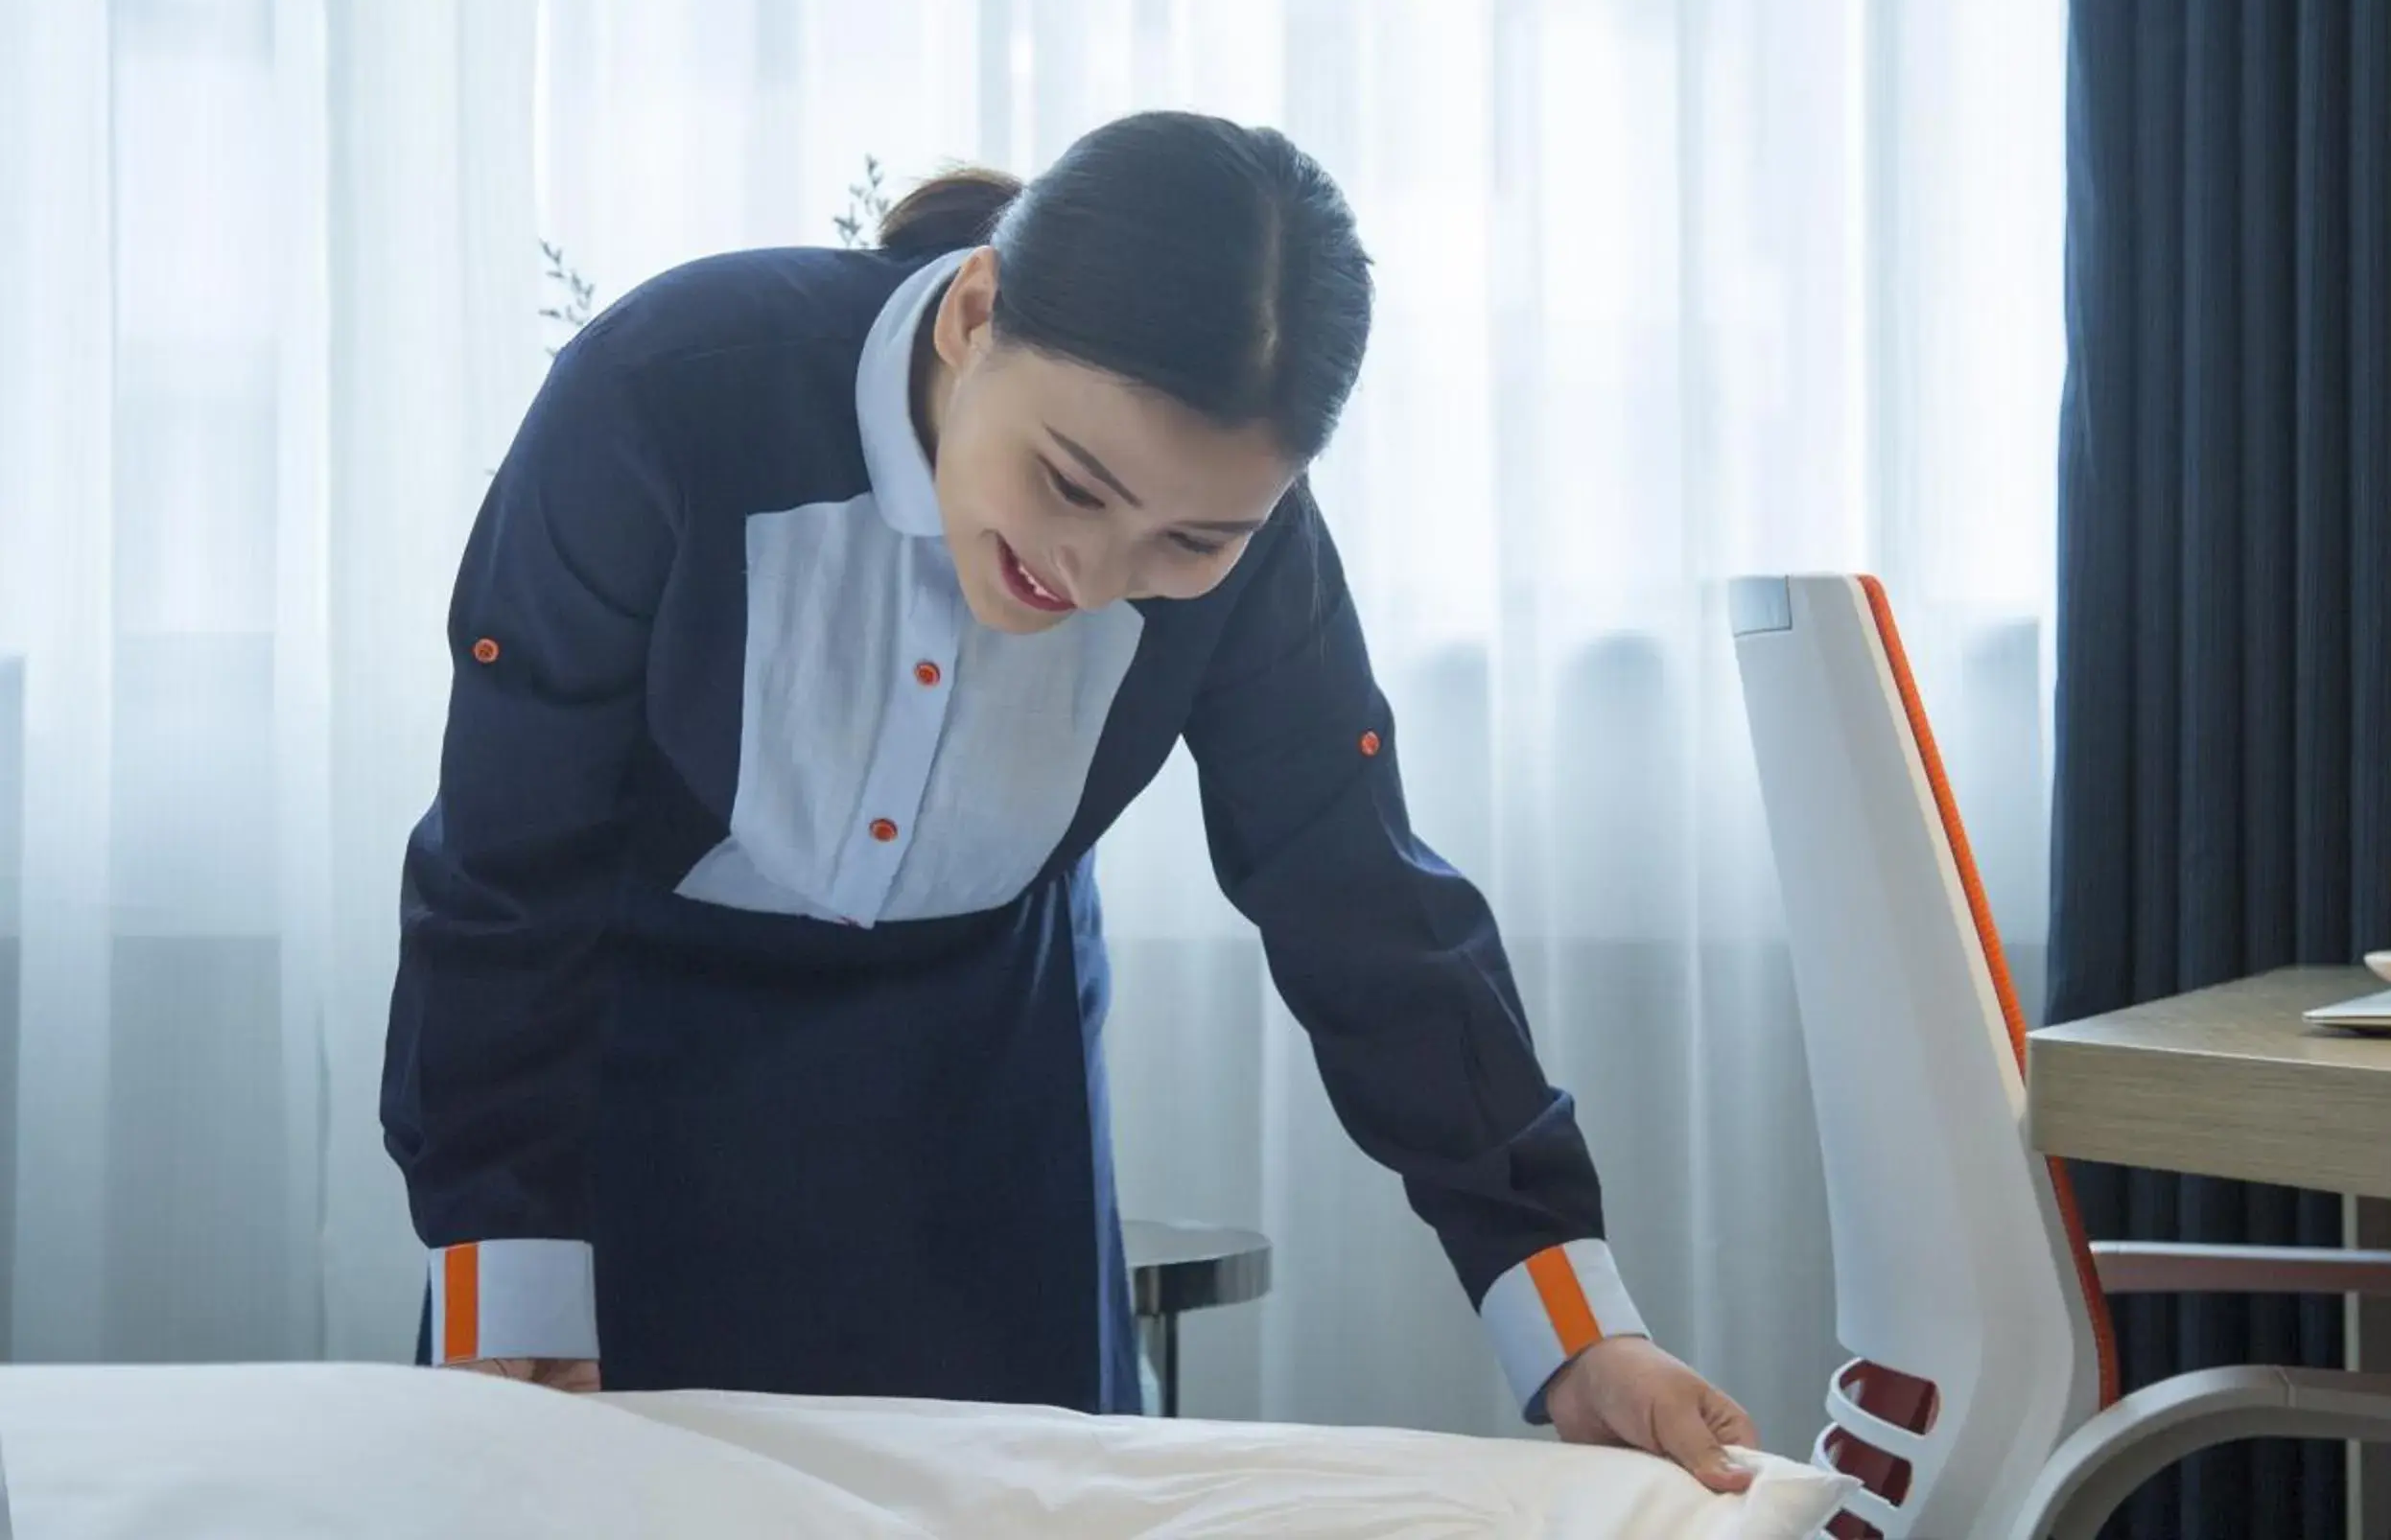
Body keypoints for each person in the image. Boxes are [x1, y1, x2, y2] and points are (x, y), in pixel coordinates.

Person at [381, 111, 1759, 1489]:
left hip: (981, 1095)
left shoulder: (1255, 556)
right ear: (974, 314)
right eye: (1071, 486)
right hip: (618, 1066)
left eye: (1188, 541)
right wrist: (505, 1268)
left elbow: (1365, 903)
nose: (1095, 574)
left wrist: (1581, 1334)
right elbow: (510, 862)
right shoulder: (666, 392)